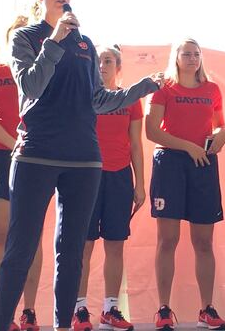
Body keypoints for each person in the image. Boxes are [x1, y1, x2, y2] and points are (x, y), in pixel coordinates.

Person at [0, 0, 163, 331]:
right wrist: (54, 38)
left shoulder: (85, 43)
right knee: (19, 251)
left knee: (71, 255)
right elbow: (32, 86)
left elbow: (97, 100)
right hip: (36, 153)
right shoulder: (25, 37)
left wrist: (142, 88)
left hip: (84, 159)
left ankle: (63, 326)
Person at [146, 38, 225, 331]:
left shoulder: (212, 89)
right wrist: (186, 147)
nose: (192, 58)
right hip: (169, 164)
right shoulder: (163, 88)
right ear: (176, 57)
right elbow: (151, 130)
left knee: (203, 242)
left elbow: (220, 125)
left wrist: (220, 136)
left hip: (203, 165)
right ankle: (163, 310)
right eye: (187, 54)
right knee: (167, 240)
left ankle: (207, 309)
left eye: (196, 54)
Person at [0, 15, 43, 331]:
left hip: (34, 157)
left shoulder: (39, 71)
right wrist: (14, 143)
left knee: (32, 235)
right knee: (2, 233)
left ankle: (29, 311)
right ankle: (3, 312)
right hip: (1, 155)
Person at [77, 45, 145, 331]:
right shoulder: (83, 96)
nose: (102, 65)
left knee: (115, 245)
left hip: (119, 177)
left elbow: (136, 143)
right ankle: (78, 309)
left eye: (107, 61)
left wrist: (140, 184)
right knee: (84, 246)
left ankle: (110, 308)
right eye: (98, 61)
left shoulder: (129, 99)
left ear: (118, 67)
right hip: (87, 177)